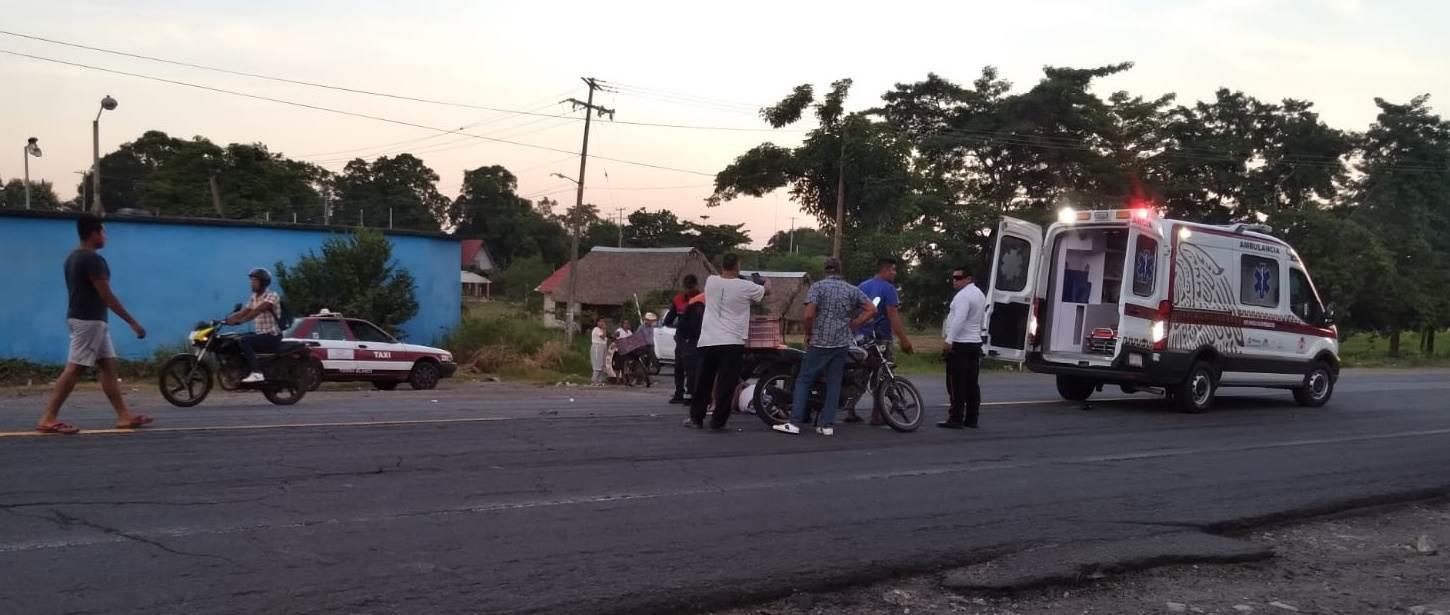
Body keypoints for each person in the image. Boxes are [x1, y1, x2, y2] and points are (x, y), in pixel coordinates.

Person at [36, 215, 152, 434]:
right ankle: (48, 417)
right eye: (103, 231)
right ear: (93, 233)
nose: (105, 236)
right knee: (75, 369)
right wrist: (133, 323)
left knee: (108, 366)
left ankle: (124, 416)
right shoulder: (92, 260)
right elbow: (107, 296)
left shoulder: (72, 258)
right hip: (89, 321)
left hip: (88, 319)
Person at [773, 257, 876, 437]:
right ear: (839, 270)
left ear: (825, 270)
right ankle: (827, 425)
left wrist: (808, 333)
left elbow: (808, 315)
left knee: (804, 379)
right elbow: (871, 309)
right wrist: (854, 323)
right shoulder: (851, 289)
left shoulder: (817, 287)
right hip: (842, 343)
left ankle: (795, 422)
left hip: (820, 342)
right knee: (834, 383)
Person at [687, 253, 767, 430]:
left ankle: (696, 418)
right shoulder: (746, 286)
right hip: (732, 341)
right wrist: (765, 282)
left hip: (708, 340)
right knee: (726, 383)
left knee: (703, 381)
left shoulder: (711, 281)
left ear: (722, 265)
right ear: (738, 266)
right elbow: (766, 292)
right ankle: (718, 421)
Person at [848, 257, 916, 424]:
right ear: (884, 270)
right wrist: (904, 340)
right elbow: (893, 317)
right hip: (881, 338)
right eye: (893, 269)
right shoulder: (889, 289)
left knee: (861, 374)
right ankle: (877, 415)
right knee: (883, 375)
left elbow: (854, 310)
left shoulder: (863, 286)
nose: (895, 273)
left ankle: (850, 410)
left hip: (862, 337)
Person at [940, 266, 987, 430]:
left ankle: (956, 417)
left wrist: (949, 340)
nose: (955, 281)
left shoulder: (963, 296)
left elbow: (959, 319)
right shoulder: (979, 294)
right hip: (974, 341)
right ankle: (972, 418)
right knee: (971, 382)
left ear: (968, 279)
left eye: (959, 278)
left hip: (960, 342)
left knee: (955, 383)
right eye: (953, 277)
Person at [224, 268, 284, 384]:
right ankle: (240, 370)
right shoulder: (254, 297)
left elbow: (257, 310)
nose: (252, 283)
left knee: (245, 341)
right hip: (260, 334)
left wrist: (241, 321)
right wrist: (225, 320)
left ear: (263, 282)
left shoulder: (272, 295)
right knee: (234, 340)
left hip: (272, 336)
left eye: (255, 281)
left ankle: (257, 373)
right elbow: (243, 312)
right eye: (251, 280)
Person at [664, 275, 702, 404]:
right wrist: (679, 326)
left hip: (697, 339)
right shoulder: (678, 300)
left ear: (696, 285)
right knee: (679, 367)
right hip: (682, 338)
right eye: (687, 288)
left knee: (693, 368)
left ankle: (691, 394)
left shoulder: (703, 299)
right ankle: (679, 393)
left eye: (691, 287)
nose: (689, 290)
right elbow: (668, 320)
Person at [590, 318, 609, 385]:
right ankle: (594, 379)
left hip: (603, 346)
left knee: (603, 364)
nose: (602, 323)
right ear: (597, 322)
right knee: (597, 363)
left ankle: (600, 380)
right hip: (597, 347)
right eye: (600, 321)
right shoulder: (596, 329)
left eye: (603, 321)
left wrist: (604, 329)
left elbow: (605, 338)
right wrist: (604, 328)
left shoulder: (602, 330)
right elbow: (603, 337)